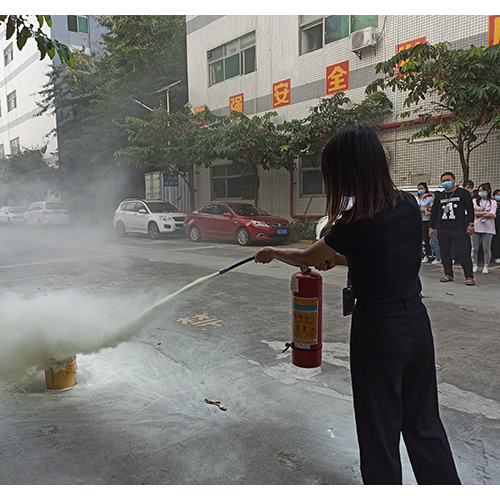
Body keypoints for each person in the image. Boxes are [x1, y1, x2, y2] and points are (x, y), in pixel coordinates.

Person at [254, 125, 461, 485]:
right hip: (416, 324)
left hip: (378, 332)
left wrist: (272, 252)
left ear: (345, 173)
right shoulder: (409, 204)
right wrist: (344, 261)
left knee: (378, 431)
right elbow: (386, 256)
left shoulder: (354, 222)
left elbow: (306, 255)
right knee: (424, 424)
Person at [429, 172, 475, 285]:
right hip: (443, 228)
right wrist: (431, 227)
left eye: (448, 180)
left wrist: (471, 224)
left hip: (459, 228)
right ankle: (448, 274)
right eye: (443, 181)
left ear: (454, 180)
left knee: (463, 252)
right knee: (445, 253)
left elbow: (470, 209)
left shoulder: (462, 193)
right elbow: (434, 213)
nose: (446, 182)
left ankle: (469, 276)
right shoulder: (439, 196)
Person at [471, 183, 497, 273]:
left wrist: (480, 213)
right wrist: (485, 213)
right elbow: (473, 213)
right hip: (476, 228)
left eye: (483, 190)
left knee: (486, 248)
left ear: (488, 191)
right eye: (480, 191)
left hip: (488, 228)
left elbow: (492, 214)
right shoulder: (475, 201)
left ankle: (486, 265)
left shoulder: (493, 202)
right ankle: (474, 264)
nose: (481, 192)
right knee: (475, 248)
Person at [417, 182, 434, 263]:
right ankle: (421, 255)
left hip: (427, 220)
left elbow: (431, 208)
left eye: (422, 188)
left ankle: (428, 255)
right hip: (419, 220)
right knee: (420, 238)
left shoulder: (429, 198)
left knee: (426, 238)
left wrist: (424, 210)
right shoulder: (417, 199)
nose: (420, 190)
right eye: (419, 189)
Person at [492, 189, 500, 264]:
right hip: (494, 224)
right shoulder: (492, 203)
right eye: (497, 195)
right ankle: (496, 256)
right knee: (496, 240)